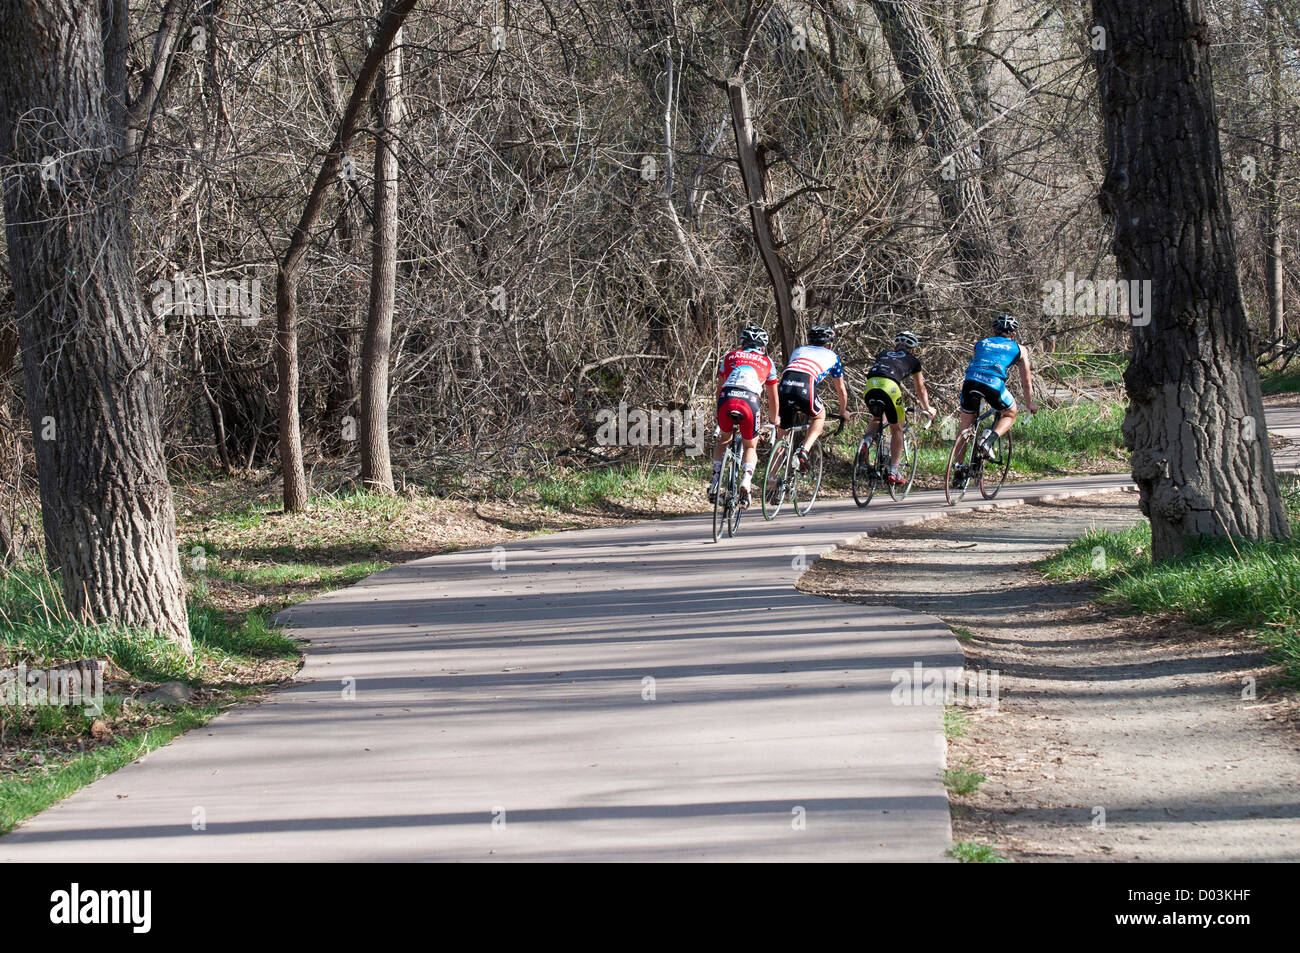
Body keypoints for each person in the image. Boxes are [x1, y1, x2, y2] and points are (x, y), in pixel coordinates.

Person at [951, 313, 1038, 487]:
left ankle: (958, 473)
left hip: (970, 383)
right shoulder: (1019, 349)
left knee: (965, 428)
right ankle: (988, 441)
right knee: (1010, 412)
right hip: (993, 383)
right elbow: (1026, 381)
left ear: (994, 330)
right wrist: (1029, 403)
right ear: (1013, 334)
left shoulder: (980, 343)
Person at [710, 324, 779, 507]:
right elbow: (773, 397)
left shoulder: (730, 356)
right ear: (763, 347)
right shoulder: (768, 362)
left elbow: (719, 389)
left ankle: (715, 481)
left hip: (727, 399)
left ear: (743, 343)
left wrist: (719, 410)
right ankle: (746, 483)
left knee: (723, 440)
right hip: (749, 402)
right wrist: (774, 419)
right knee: (750, 447)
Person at [861, 330, 936, 483]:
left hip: (870, 386)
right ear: (913, 350)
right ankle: (894, 471)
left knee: (877, 418)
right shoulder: (914, 360)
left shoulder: (883, 353)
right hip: (890, 388)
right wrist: (928, 407)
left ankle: (866, 443)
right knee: (897, 429)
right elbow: (920, 388)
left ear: (895, 348)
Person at [777, 324, 851, 471]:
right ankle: (804, 450)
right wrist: (843, 412)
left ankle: (772, 481)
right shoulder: (833, 357)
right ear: (829, 344)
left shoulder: (799, 350)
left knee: (782, 435)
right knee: (819, 416)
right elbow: (841, 390)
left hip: (784, 385)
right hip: (805, 386)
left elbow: (793, 369)